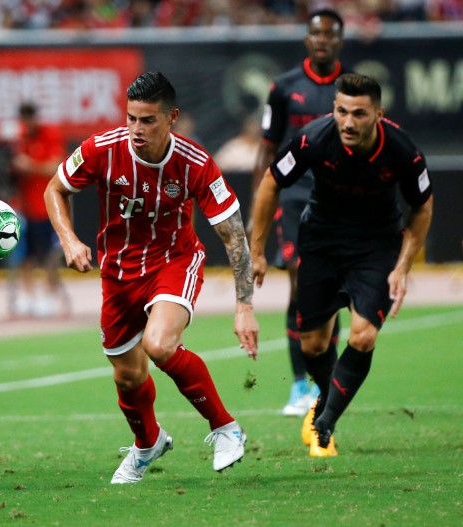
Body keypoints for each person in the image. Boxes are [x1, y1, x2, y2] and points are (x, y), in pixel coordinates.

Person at [44, 72, 259, 483]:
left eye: (147, 120)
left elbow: (233, 235)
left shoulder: (196, 163)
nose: (136, 130)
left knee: (158, 345)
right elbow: (54, 189)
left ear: (171, 117)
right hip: (118, 273)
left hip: (173, 262)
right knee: (128, 376)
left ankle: (225, 426)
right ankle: (148, 444)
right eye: (131, 119)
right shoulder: (101, 149)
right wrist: (69, 240)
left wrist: (244, 306)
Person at [249, 73, 433, 457]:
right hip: (321, 241)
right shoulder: (313, 139)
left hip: (376, 245)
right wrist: (258, 250)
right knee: (314, 345)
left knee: (363, 336)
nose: (349, 122)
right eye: (342, 111)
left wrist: (402, 267)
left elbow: (422, 207)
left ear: (379, 114)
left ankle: (324, 424)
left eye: (360, 114)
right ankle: (325, 403)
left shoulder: (403, 149)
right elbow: (271, 183)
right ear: (333, 109)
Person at [250, 8, 348, 417]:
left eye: (329, 34)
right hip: (292, 196)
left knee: (334, 290)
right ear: (307, 39)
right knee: (298, 280)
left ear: (340, 39)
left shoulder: (353, 89)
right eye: (315, 33)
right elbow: (268, 150)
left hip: (340, 199)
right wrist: (259, 200)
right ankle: (298, 386)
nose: (322, 40)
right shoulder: (284, 89)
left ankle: (326, 384)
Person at [9, 101, 70, 318]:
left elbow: (56, 166)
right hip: (25, 207)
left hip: (48, 207)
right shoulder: (20, 137)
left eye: (30, 118)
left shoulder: (50, 133)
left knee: (49, 255)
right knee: (24, 253)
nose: (28, 123)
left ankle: (48, 294)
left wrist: (30, 165)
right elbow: (13, 169)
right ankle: (27, 295)